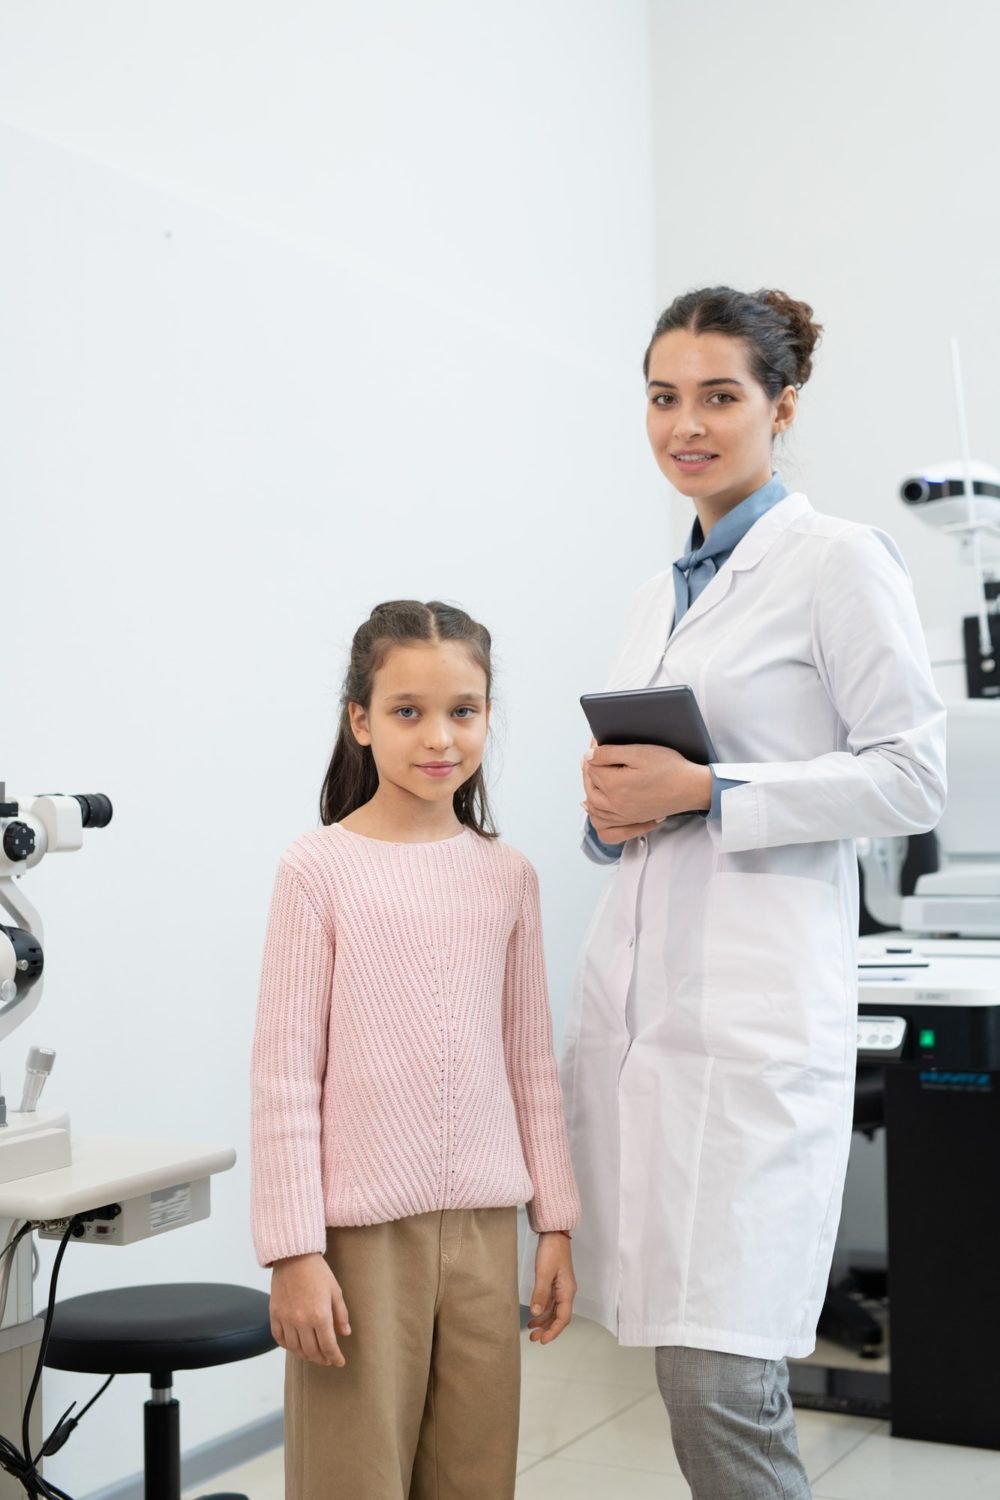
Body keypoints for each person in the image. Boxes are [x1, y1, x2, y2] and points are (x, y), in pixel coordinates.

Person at [564, 287, 946, 1499]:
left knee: (722, 1386)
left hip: (750, 1025)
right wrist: (616, 810)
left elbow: (911, 774)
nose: (687, 423)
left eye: (719, 397)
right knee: (689, 1374)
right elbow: (657, 799)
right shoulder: (654, 594)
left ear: (780, 409)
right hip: (651, 1025)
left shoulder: (834, 562)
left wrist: (712, 789)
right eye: (664, 397)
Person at [250, 599, 579, 1500]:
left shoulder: (507, 876)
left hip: (483, 1232)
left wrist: (554, 1220)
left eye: (463, 711)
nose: (439, 737)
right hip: (355, 1242)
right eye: (407, 711)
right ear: (360, 720)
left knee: (475, 1478)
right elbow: (284, 1078)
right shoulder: (316, 869)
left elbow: (529, 1065)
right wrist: (292, 1250)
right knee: (352, 1480)